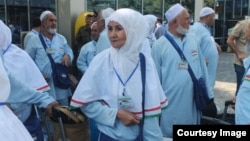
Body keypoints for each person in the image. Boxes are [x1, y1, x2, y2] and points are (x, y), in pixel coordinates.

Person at [70, 8, 168, 141]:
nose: (112, 34)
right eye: (109, 28)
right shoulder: (101, 61)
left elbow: (151, 114)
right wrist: (116, 114)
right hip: (108, 136)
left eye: (118, 28)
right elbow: (86, 103)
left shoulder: (145, 62)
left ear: (132, 31)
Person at [151, 3, 212, 138]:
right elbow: (154, 81)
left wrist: (209, 94)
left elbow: (202, 68)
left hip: (194, 100)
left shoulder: (193, 40)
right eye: (186, 19)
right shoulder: (159, 46)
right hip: (171, 104)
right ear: (174, 22)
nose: (189, 22)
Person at [25, 10, 74, 106]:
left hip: (60, 81)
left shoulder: (61, 38)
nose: (54, 23)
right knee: (47, 112)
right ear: (43, 22)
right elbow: (27, 60)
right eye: (51, 20)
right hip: (45, 83)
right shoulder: (34, 40)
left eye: (55, 21)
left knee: (64, 110)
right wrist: (38, 74)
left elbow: (69, 50)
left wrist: (67, 55)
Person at [76, 22, 100, 141]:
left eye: (96, 31)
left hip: (103, 85)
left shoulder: (107, 46)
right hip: (90, 84)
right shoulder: (86, 47)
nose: (94, 33)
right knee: (93, 113)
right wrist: (89, 74)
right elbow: (80, 63)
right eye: (92, 31)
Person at [189, 7, 218, 102]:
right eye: (213, 16)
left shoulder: (205, 29)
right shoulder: (197, 28)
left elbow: (203, 42)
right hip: (203, 70)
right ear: (207, 17)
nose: (214, 19)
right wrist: (200, 58)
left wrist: (214, 45)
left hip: (209, 70)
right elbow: (192, 46)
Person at [227, 19, 250, 96]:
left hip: (248, 64)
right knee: (241, 89)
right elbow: (229, 40)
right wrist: (239, 53)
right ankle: (238, 105)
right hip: (241, 64)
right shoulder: (242, 24)